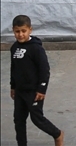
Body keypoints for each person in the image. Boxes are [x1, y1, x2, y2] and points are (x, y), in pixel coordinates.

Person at [9, 15, 64, 146]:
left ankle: (57, 134)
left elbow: (44, 70)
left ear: (30, 30)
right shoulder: (14, 48)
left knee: (37, 118)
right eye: (17, 31)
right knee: (19, 120)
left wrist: (41, 89)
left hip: (34, 91)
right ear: (13, 31)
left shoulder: (36, 48)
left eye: (23, 31)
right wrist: (13, 86)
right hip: (20, 91)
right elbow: (13, 68)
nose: (21, 34)